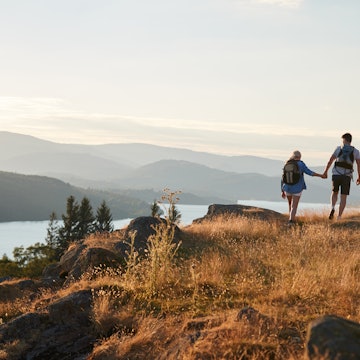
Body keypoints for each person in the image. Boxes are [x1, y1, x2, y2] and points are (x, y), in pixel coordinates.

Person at [281, 150, 326, 225]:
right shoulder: (301, 164)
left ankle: (290, 217)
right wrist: (321, 175)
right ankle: (291, 221)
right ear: (300, 157)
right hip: (297, 188)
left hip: (287, 187)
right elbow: (310, 172)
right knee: (294, 206)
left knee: (290, 204)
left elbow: (283, 178)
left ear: (292, 156)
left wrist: (282, 190)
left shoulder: (287, 163)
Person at [323, 133, 360, 220]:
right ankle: (339, 217)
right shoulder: (356, 151)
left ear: (344, 140)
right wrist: (359, 176)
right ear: (350, 140)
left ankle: (332, 208)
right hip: (347, 176)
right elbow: (359, 165)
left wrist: (325, 171)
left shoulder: (339, 148)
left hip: (336, 174)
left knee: (334, 192)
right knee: (343, 197)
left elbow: (330, 161)